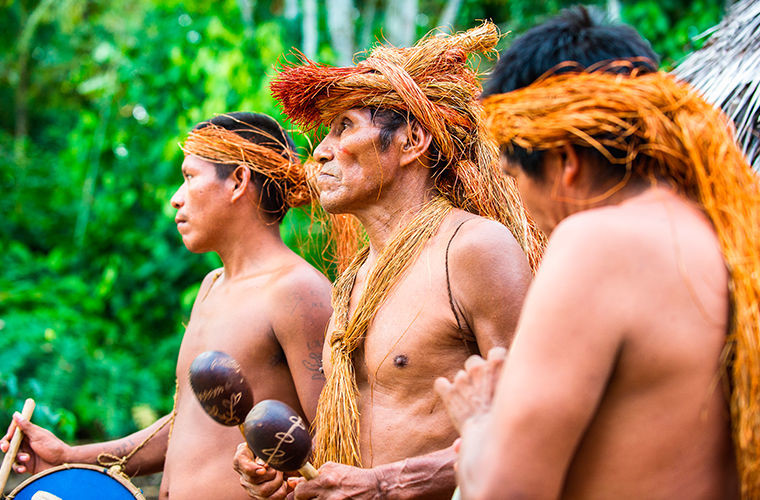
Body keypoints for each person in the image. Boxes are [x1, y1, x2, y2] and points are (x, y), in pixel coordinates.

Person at [435, 9, 760, 499]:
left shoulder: (598, 243)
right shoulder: (729, 230)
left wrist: (480, 420)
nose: (518, 201)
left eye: (514, 176)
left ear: (565, 161)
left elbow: (505, 492)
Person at [233, 22, 543, 499]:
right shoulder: (355, 277)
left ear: (411, 141)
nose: (320, 151)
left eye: (345, 128)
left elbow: (534, 424)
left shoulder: (471, 249)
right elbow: (371, 438)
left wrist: (383, 485)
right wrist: (293, 470)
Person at [1, 112, 333, 499]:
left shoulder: (298, 291)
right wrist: (68, 457)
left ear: (238, 182)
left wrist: (288, 485)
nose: (176, 197)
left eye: (190, 176)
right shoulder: (212, 286)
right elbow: (187, 426)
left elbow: (338, 440)